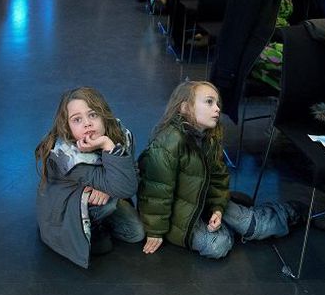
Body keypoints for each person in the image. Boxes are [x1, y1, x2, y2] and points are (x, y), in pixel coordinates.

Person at [138, 81, 304, 259]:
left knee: (253, 225)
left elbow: (218, 177)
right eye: (209, 102)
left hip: (204, 202)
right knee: (217, 246)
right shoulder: (168, 144)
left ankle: (294, 212)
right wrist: (155, 230)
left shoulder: (209, 138)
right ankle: (233, 220)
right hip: (177, 214)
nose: (217, 108)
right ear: (185, 108)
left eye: (217, 103)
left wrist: (217, 208)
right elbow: (155, 191)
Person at [35, 87, 145, 268]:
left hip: (108, 191)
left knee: (136, 233)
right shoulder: (68, 156)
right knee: (108, 203)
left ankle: (102, 214)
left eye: (93, 115)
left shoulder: (120, 134)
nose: (87, 123)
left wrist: (107, 145)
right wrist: (108, 145)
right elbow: (126, 187)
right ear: (67, 127)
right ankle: (93, 225)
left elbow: (131, 173)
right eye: (77, 119)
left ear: (103, 116)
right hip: (65, 212)